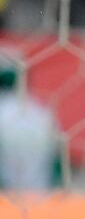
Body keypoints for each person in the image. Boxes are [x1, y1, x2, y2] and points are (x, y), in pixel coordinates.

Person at [0, 59, 62, 191]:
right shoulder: (41, 111)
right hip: (41, 193)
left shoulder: (3, 110)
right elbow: (57, 159)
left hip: (5, 195)